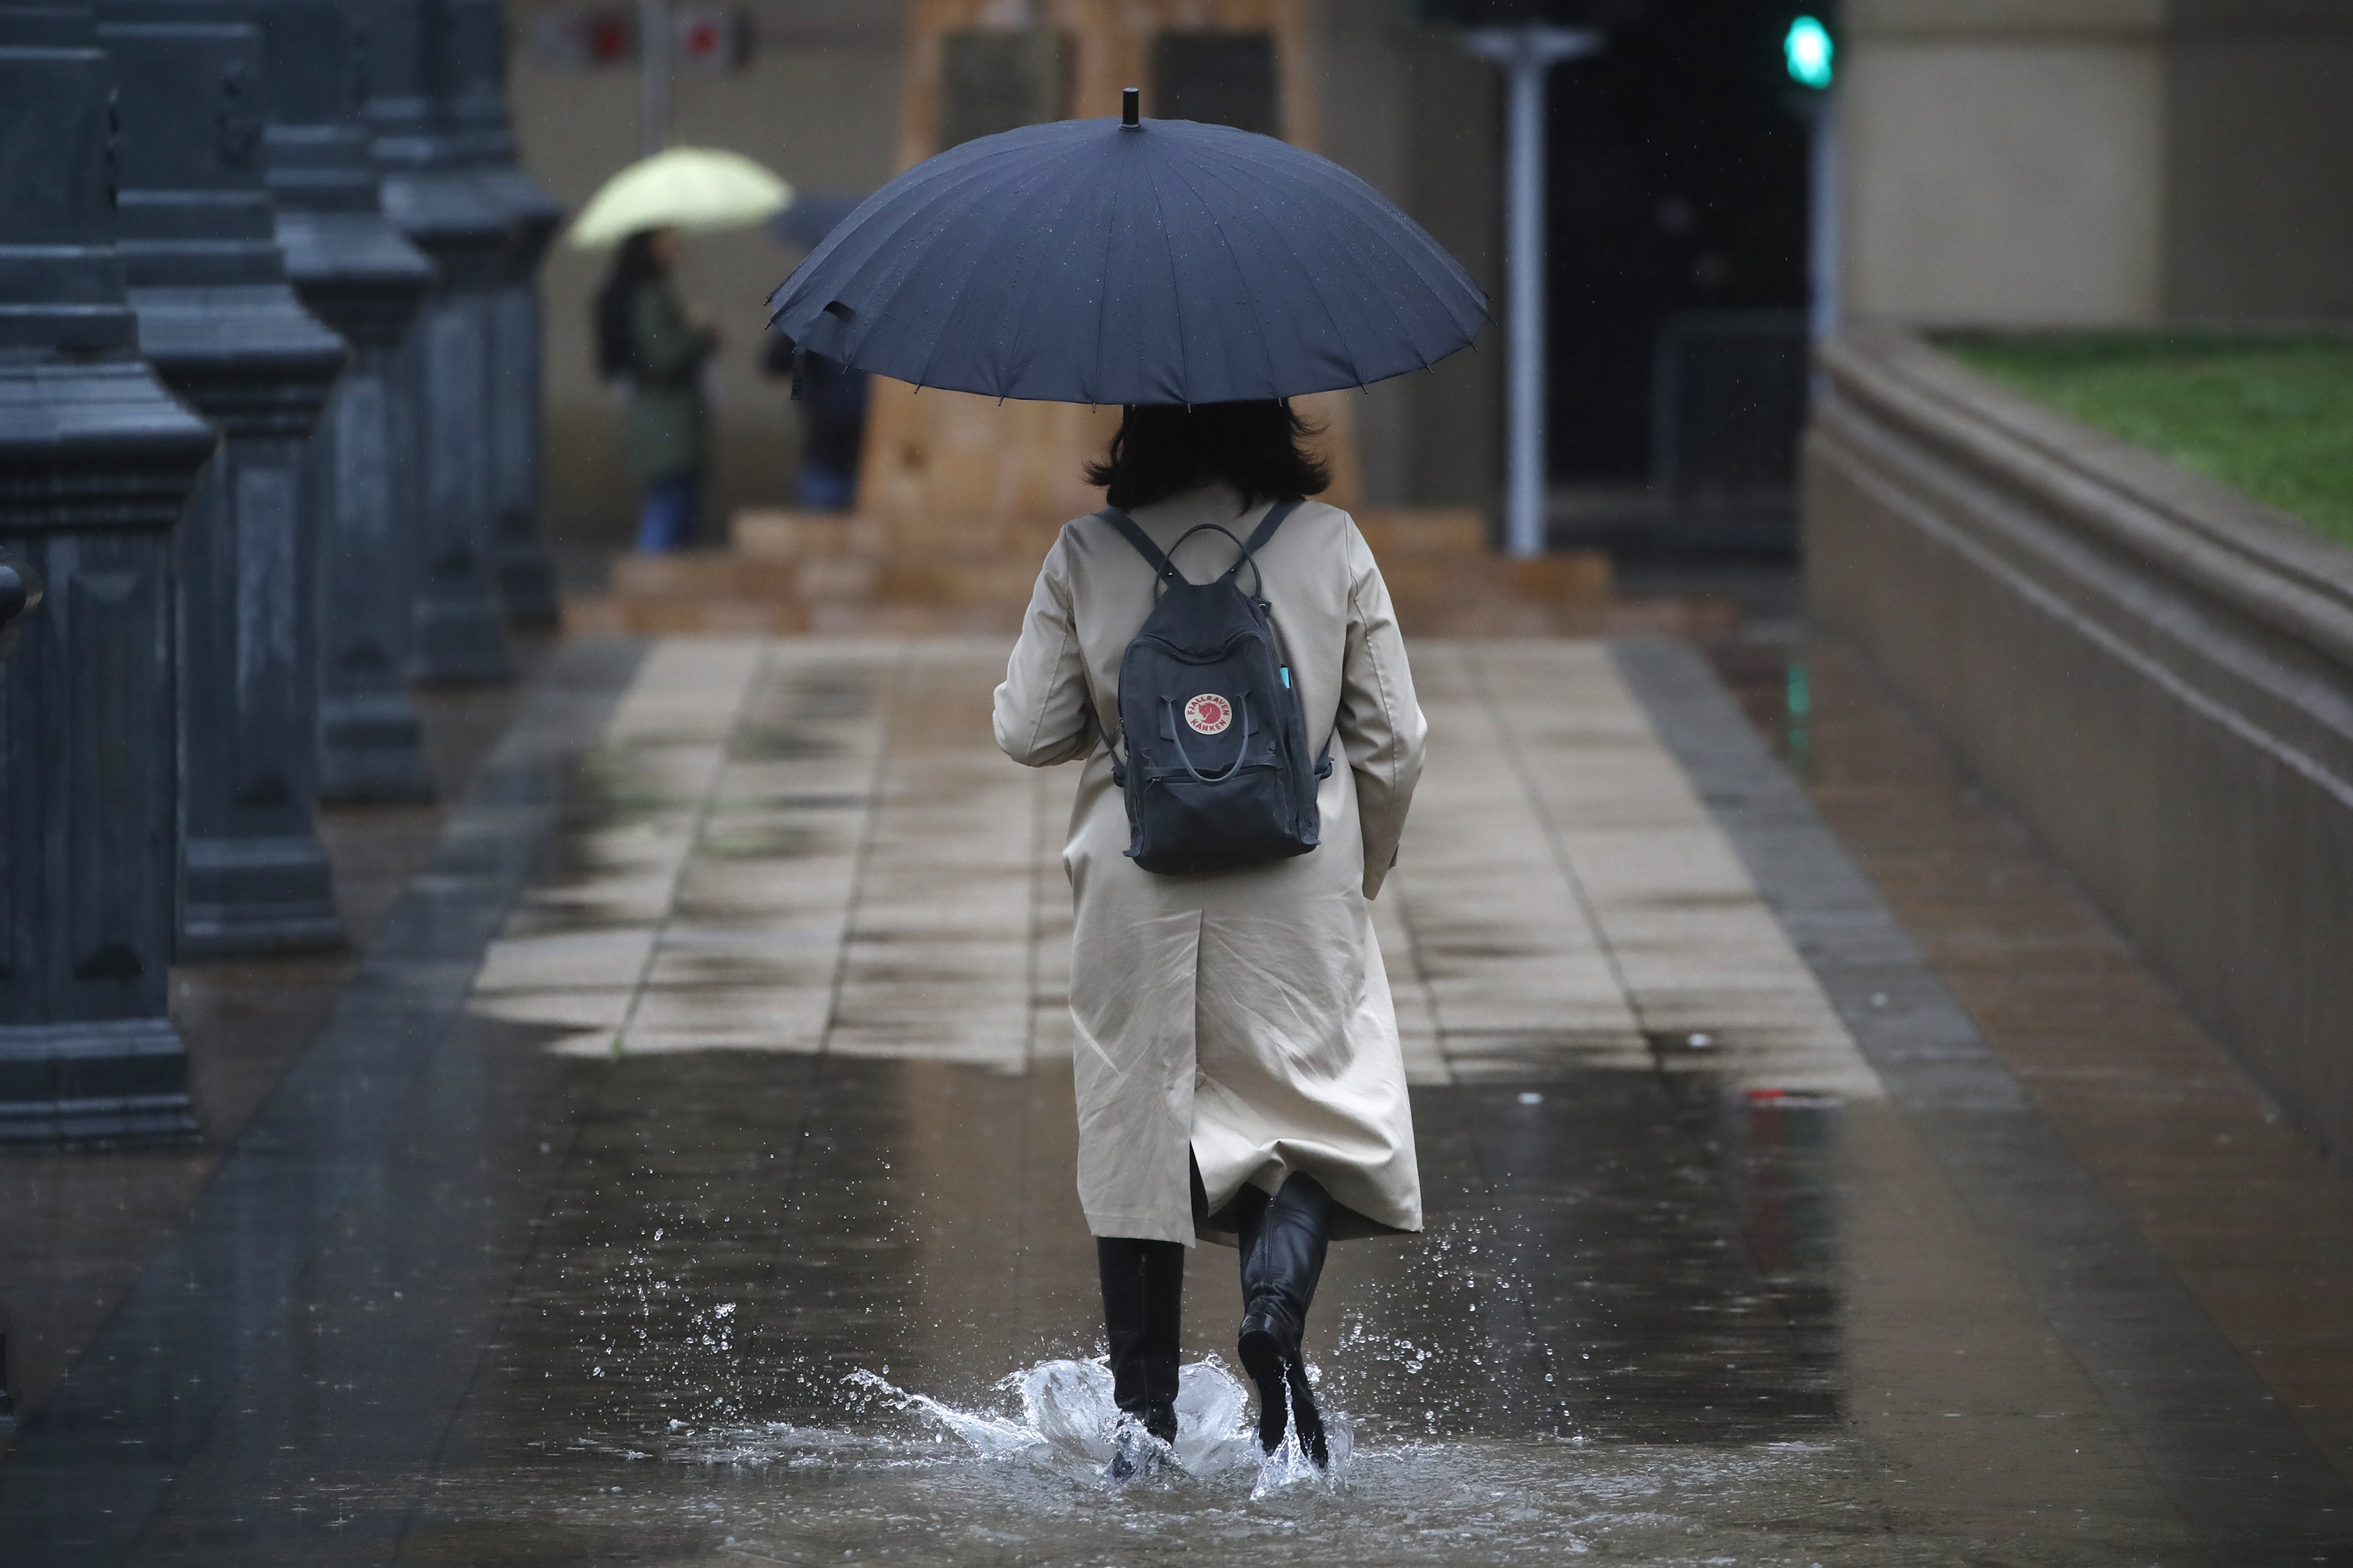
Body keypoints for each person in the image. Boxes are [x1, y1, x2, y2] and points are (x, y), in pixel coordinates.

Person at [992, 401, 1427, 1472]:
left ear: (1138, 429)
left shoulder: (1089, 551)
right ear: (1272, 421)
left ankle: (1141, 1428)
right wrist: (1361, 869)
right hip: (1295, 887)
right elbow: (1396, 738)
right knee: (1319, 1112)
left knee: (1140, 1129)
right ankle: (1272, 1306)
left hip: (1137, 888)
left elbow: (1029, 728)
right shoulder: (1329, 544)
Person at [595, 226, 719, 552]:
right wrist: (699, 333)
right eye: (671, 242)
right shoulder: (648, 296)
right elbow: (662, 355)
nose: (679, 250)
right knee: (667, 514)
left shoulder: (650, 292)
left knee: (671, 510)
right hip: (667, 422)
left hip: (666, 421)